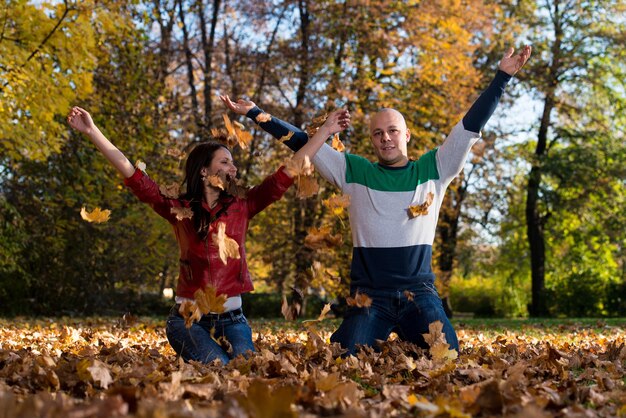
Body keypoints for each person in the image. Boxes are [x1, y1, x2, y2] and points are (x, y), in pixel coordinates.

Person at [220, 46, 532, 355]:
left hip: (419, 295)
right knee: (345, 359)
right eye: (378, 133)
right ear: (371, 139)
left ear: (406, 135)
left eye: (392, 131)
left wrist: (501, 77)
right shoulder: (353, 170)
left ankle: (408, 341)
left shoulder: (435, 169)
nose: (385, 138)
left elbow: (469, 125)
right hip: (370, 296)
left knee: (448, 357)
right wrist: (255, 113)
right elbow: (303, 141)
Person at [67, 107, 350, 364]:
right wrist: (92, 131)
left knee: (245, 370)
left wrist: (325, 131)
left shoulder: (244, 204)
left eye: (233, 163)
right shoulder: (178, 209)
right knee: (219, 369)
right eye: (225, 162)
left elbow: (291, 168)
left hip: (234, 320)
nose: (233, 168)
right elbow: (132, 174)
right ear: (204, 171)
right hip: (188, 321)